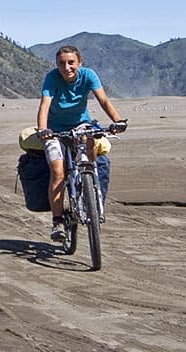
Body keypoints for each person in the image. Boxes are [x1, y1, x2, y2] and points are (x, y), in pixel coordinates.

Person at [35, 46, 126, 242]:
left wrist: (118, 121)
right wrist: (43, 130)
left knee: (91, 142)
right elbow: (44, 106)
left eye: (71, 63)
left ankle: (90, 189)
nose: (66, 67)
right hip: (55, 129)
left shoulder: (88, 75)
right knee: (58, 172)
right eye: (62, 63)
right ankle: (57, 221)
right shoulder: (52, 78)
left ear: (79, 63)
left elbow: (103, 100)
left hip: (81, 124)